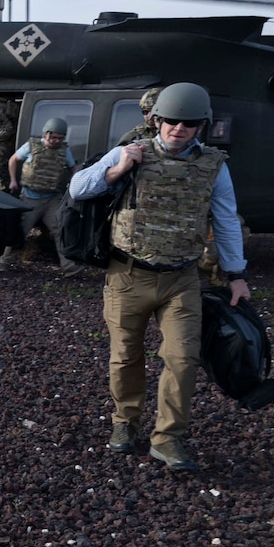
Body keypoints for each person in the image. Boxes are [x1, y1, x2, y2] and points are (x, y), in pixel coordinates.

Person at [68, 82, 250, 473]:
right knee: (124, 357)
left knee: (183, 359)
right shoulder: (130, 151)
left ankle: (168, 438)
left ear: (201, 126)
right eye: (171, 121)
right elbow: (78, 188)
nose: (178, 129)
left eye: (188, 123)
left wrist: (236, 274)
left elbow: (226, 221)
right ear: (156, 120)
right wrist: (117, 169)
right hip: (128, 275)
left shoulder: (214, 166)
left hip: (181, 279)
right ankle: (125, 422)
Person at [0, 117, 80, 276]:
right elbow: (13, 160)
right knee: (20, 232)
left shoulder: (64, 150)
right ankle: (4, 263)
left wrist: (80, 174)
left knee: (60, 229)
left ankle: (68, 266)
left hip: (52, 199)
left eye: (60, 138)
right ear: (46, 134)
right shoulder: (31, 146)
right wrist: (13, 180)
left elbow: (72, 168)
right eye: (54, 137)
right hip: (30, 198)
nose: (56, 141)